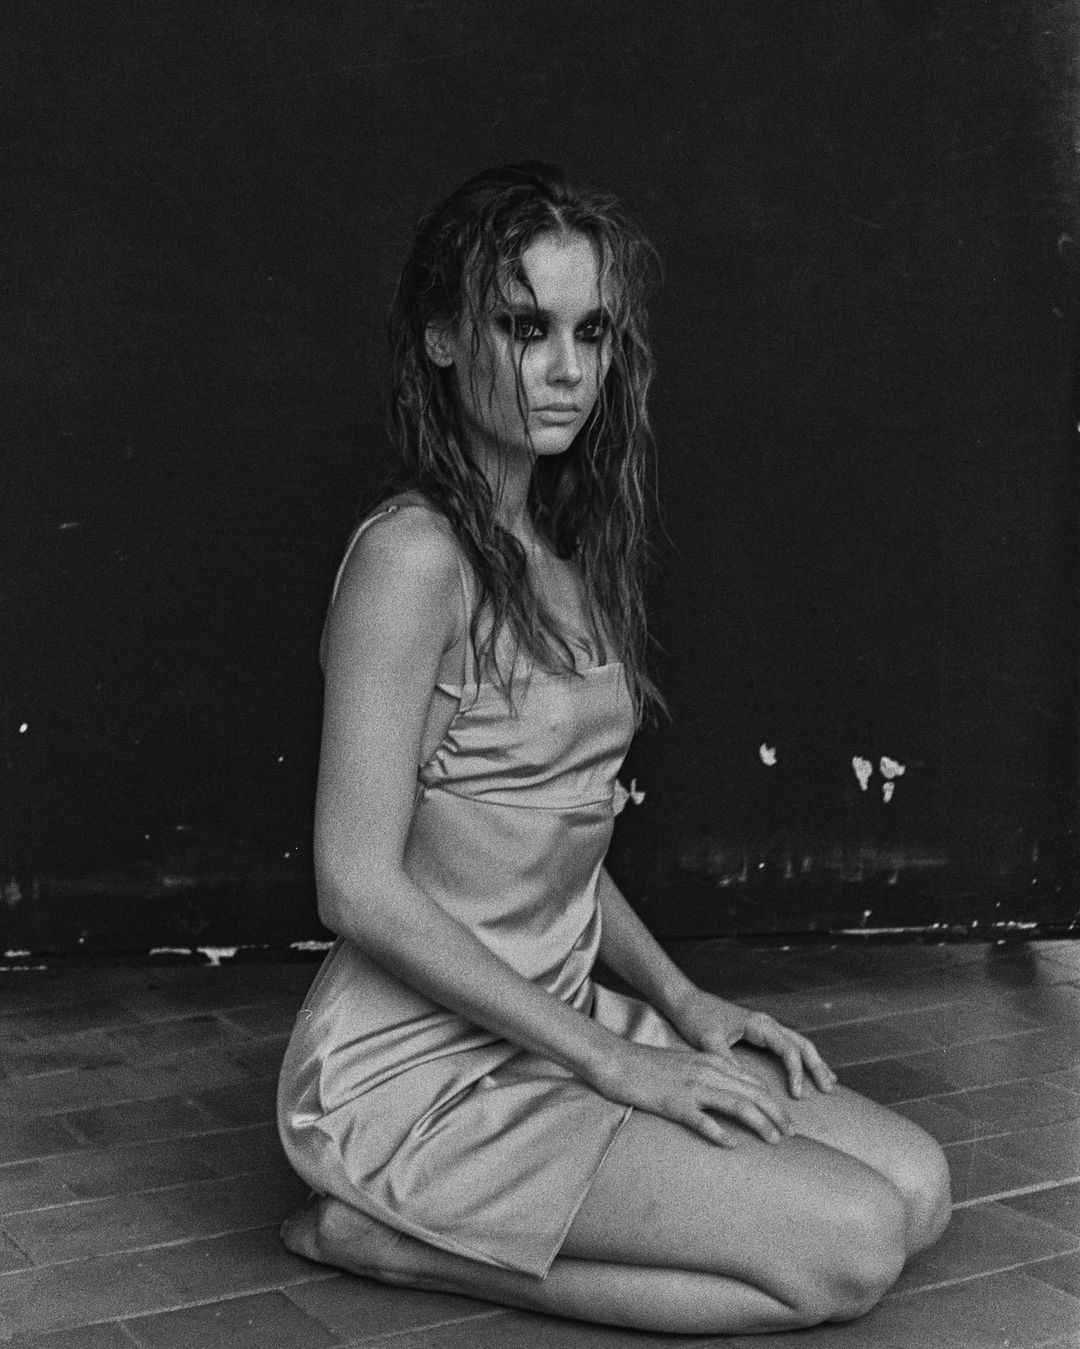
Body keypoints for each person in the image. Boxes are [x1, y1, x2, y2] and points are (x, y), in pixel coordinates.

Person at [276, 162, 950, 1335]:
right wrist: (612, 1060)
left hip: (554, 1017)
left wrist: (683, 1002)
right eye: (523, 326)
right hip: (418, 1070)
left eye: (589, 331)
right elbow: (355, 886)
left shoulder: (559, 552)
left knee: (920, 1186)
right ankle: (385, 1239)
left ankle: (475, 1200)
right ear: (442, 337)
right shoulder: (411, 558)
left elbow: (552, 841)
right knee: (850, 1248)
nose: (566, 368)